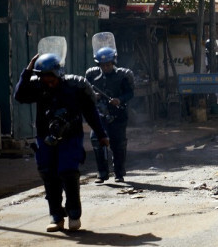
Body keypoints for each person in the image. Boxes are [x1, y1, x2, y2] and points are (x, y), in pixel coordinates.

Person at [14, 53, 109, 232]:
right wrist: (28, 70)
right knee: (48, 174)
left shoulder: (75, 86)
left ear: (58, 74)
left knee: (68, 172)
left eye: (51, 79)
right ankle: (56, 217)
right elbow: (20, 96)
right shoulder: (37, 86)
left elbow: (91, 112)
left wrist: (101, 134)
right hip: (46, 136)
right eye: (45, 79)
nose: (48, 83)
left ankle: (74, 214)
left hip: (71, 136)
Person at [86, 47, 135, 184]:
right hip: (100, 114)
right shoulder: (92, 75)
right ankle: (102, 173)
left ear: (113, 62)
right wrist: (93, 95)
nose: (106, 67)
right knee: (97, 141)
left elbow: (130, 93)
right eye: (103, 65)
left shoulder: (122, 75)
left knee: (118, 144)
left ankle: (119, 173)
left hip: (118, 115)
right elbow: (86, 90)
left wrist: (119, 100)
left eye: (108, 64)